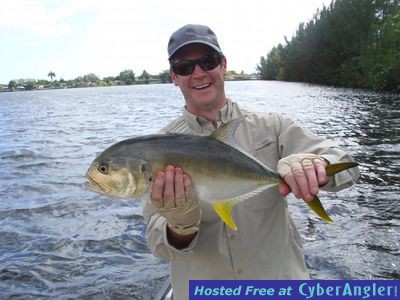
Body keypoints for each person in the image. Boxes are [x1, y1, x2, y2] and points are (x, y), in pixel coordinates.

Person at [142, 24, 360, 299]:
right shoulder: (156, 150)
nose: (198, 73)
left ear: (223, 65)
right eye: (185, 67)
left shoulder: (272, 127)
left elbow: (346, 166)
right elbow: (159, 246)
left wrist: (317, 167)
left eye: (207, 62)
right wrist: (179, 226)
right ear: (174, 76)